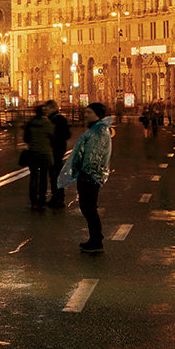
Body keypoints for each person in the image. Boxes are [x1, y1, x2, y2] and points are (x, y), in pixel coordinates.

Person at [58, 102, 114, 254]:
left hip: (89, 176)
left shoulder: (97, 132)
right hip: (90, 175)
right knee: (88, 208)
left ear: (97, 114)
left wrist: (85, 173)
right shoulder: (97, 129)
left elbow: (93, 156)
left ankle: (96, 241)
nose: (86, 114)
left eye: (89, 112)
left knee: (88, 208)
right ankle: (95, 239)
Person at [20, 103, 54, 209]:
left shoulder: (30, 123)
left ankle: (33, 200)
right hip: (45, 153)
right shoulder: (48, 124)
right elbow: (52, 138)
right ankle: (42, 200)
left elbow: (26, 139)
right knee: (43, 177)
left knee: (33, 176)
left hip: (33, 153)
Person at [46, 100, 71, 208]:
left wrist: (54, 138)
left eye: (47, 109)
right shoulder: (60, 119)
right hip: (60, 148)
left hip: (54, 149)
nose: (46, 111)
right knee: (56, 174)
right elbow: (67, 134)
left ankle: (58, 198)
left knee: (54, 174)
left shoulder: (54, 120)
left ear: (52, 108)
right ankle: (58, 197)